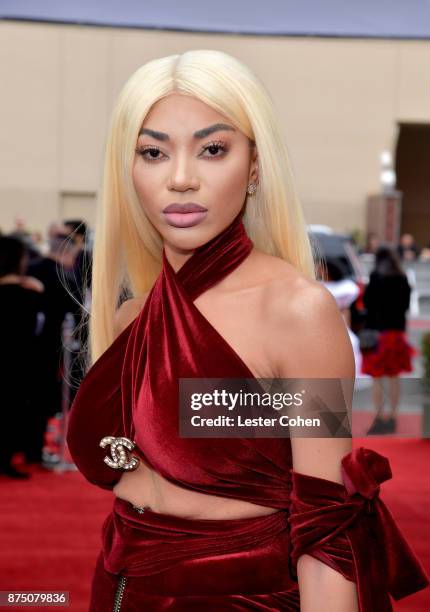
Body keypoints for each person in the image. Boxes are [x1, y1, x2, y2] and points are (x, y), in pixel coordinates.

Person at [66, 50, 429, 610]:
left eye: (213, 149)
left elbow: (326, 523)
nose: (181, 178)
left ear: (254, 165)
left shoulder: (296, 313)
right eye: (153, 152)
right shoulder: (132, 316)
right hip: (119, 588)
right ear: (129, 168)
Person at [0, 235, 44, 478]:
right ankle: (5, 458)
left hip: (13, 362)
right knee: (11, 409)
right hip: (17, 364)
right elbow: (36, 331)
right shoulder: (30, 296)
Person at [361, 245, 417, 435]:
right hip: (396, 334)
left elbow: (367, 303)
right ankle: (393, 416)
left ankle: (378, 416)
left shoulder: (375, 277)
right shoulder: (402, 278)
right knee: (394, 378)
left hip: (376, 334)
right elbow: (406, 306)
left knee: (377, 379)